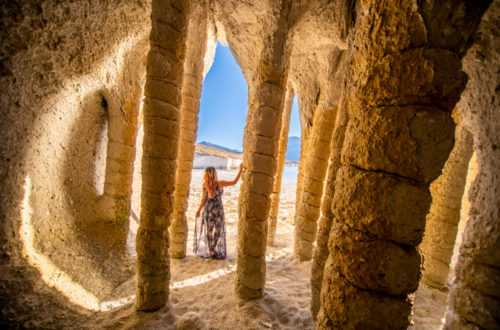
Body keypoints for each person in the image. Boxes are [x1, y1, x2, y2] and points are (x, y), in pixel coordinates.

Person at [194, 163, 243, 259]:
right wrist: (240, 171)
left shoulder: (205, 185)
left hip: (208, 210)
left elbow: (203, 199)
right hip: (218, 210)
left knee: (209, 230)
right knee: (218, 230)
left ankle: (211, 249)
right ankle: (212, 249)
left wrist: (199, 210)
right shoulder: (220, 183)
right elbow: (234, 182)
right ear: (213, 174)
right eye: (215, 173)